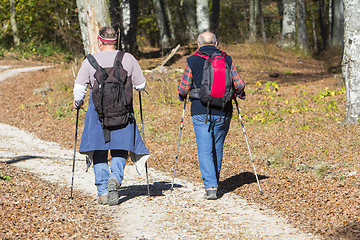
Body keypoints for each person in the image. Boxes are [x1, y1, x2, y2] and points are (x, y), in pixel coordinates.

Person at [73, 26, 149, 205]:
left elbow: (79, 89)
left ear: (100, 41)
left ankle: (103, 192)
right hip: (123, 113)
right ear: (115, 41)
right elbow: (140, 85)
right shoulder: (127, 58)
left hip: (97, 113)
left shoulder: (90, 60)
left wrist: (78, 103)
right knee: (120, 149)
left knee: (99, 151)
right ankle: (115, 178)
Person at [178, 32, 245, 200]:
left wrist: (182, 96)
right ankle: (215, 179)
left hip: (200, 111)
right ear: (216, 43)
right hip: (223, 110)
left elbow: (184, 88)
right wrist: (238, 94)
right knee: (217, 147)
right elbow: (239, 84)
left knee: (205, 149)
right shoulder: (226, 59)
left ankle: (211, 186)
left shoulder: (192, 60)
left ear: (198, 44)